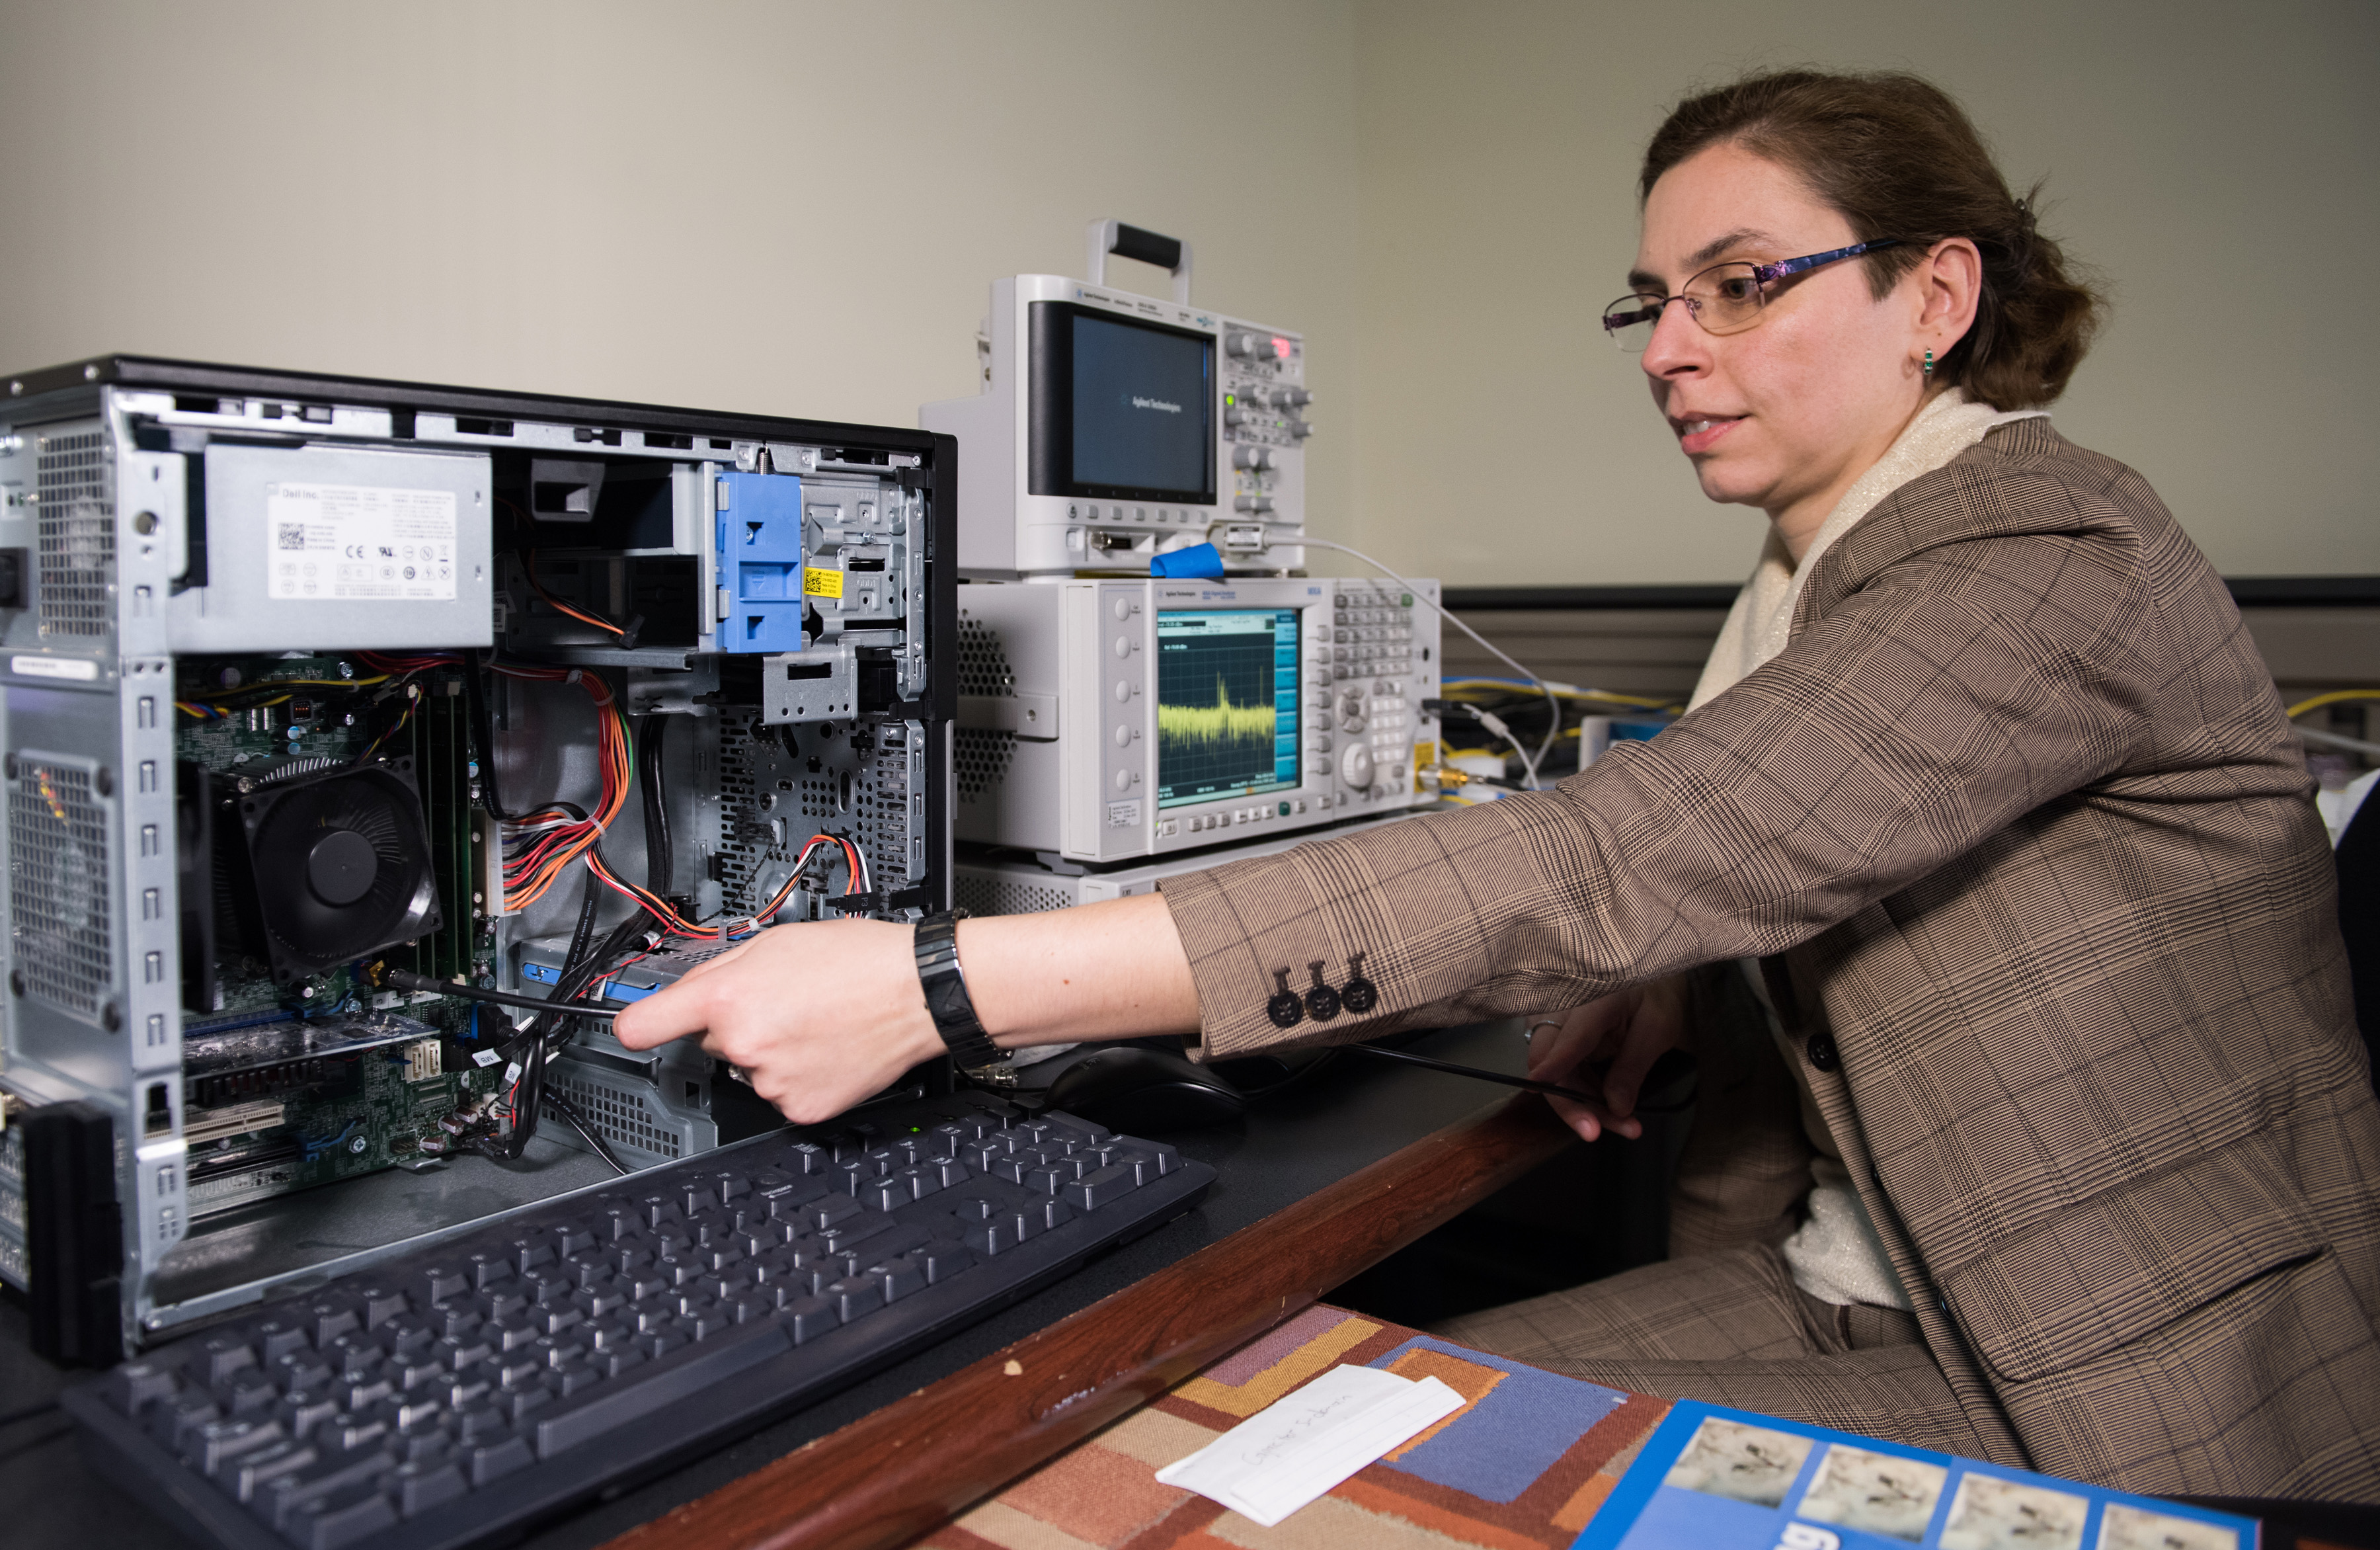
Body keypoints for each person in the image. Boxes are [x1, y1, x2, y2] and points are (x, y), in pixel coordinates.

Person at [616, 70, 2380, 1501]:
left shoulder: (2041, 547)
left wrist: (939, 982)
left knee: (1264, 1484)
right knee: (1273, 1449)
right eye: (1655, 301)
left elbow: (1633, 850)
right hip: (1868, 1290)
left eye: (1743, 285)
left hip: (2118, 1368)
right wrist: (1677, 975)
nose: (1667, 350)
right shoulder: (1814, 574)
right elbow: (1762, 854)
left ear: (1937, 293)